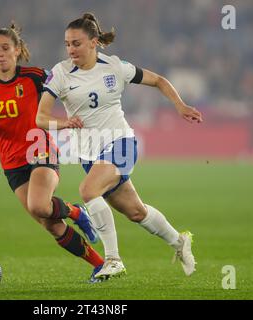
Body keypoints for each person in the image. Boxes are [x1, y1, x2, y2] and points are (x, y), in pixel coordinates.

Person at [37, 13, 203, 280]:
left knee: (88, 190)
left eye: (76, 43)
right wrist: (64, 123)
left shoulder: (114, 66)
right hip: (89, 153)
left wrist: (180, 105)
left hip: (120, 142)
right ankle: (179, 242)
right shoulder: (60, 73)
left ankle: (113, 260)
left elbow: (159, 80)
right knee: (136, 212)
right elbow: (41, 118)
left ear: (93, 42)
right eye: (67, 44)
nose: (71, 49)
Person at [0, 24, 105, 282]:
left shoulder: (34, 76)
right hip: (10, 160)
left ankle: (76, 213)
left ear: (17, 51)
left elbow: (66, 87)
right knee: (50, 223)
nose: (0, 54)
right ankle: (99, 264)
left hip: (38, 146)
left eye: (5, 48)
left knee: (38, 205)